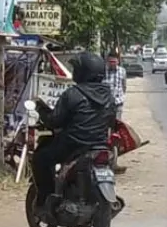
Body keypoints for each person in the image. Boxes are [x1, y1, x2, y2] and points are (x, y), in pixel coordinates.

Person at [33, 51, 115, 216]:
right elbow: (111, 121)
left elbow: (55, 121)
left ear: (83, 72)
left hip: (72, 145)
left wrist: (41, 110)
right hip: (100, 145)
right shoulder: (109, 95)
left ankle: (45, 196)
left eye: (77, 68)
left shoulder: (72, 94)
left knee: (40, 158)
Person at [103, 55, 127, 121]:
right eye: (110, 62)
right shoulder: (103, 71)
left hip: (118, 100)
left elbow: (124, 85)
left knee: (118, 121)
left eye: (114, 61)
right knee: (106, 121)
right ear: (107, 62)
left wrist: (122, 95)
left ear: (118, 62)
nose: (112, 63)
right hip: (106, 102)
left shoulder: (122, 71)